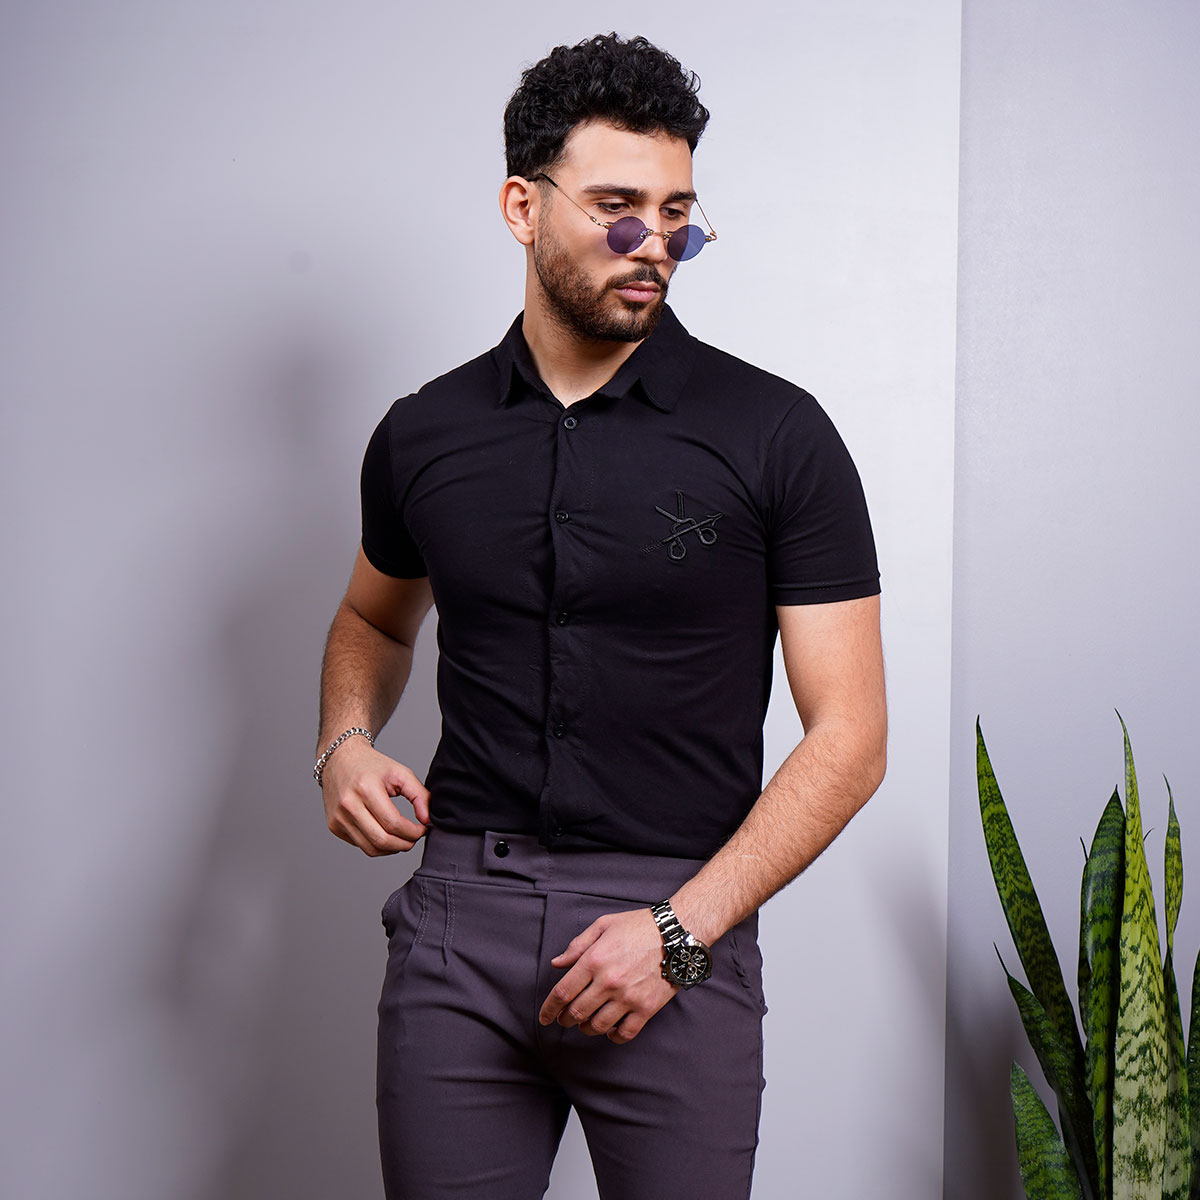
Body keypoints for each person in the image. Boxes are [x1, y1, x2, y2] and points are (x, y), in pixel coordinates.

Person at [314, 32, 886, 1200]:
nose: (655, 244)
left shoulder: (777, 433)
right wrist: (343, 741)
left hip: (678, 926)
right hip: (458, 927)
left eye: (677, 213)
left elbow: (852, 736)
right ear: (522, 207)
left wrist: (681, 933)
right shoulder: (423, 433)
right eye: (619, 209)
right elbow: (373, 619)